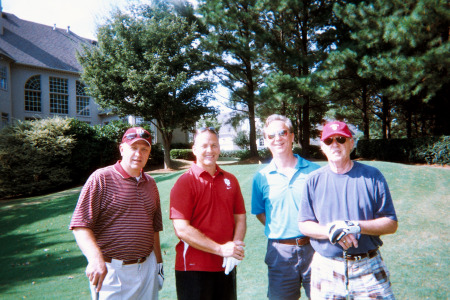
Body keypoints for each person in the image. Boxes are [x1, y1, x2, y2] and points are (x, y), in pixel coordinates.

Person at [298, 120, 398, 299]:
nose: (334, 145)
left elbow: (390, 223)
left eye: (341, 139)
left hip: (368, 266)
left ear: (351, 143)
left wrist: (355, 226)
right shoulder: (313, 180)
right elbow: (304, 224)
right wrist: (330, 231)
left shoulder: (372, 176)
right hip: (326, 267)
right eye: (329, 141)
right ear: (322, 146)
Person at [69, 127, 164, 300]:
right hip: (112, 272)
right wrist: (95, 259)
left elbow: (154, 228)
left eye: (144, 149)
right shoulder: (101, 178)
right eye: (133, 148)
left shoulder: (151, 183)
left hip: (147, 269)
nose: (139, 154)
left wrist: (158, 264)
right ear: (122, 149)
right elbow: (80, 226)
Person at [170, 127, 246, 300]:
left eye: (214, 145)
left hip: (226, 265)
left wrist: (236, 247)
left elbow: (240, 217)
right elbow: (182, 229)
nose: (209, 150)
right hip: (193, 270)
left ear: (219, 148)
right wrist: (220, 249)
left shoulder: (231, 180)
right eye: (204, 146)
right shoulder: (185, 182)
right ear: (195, 149)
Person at [251, 114, 320, 300]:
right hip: (279, 254)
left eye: (282, 133)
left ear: (291, 136)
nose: (277, 139)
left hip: (315, 248)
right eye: (271, 136)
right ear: (265, 141)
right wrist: (281, 228)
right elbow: (260, 213)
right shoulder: (261, 177)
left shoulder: (315, 172)